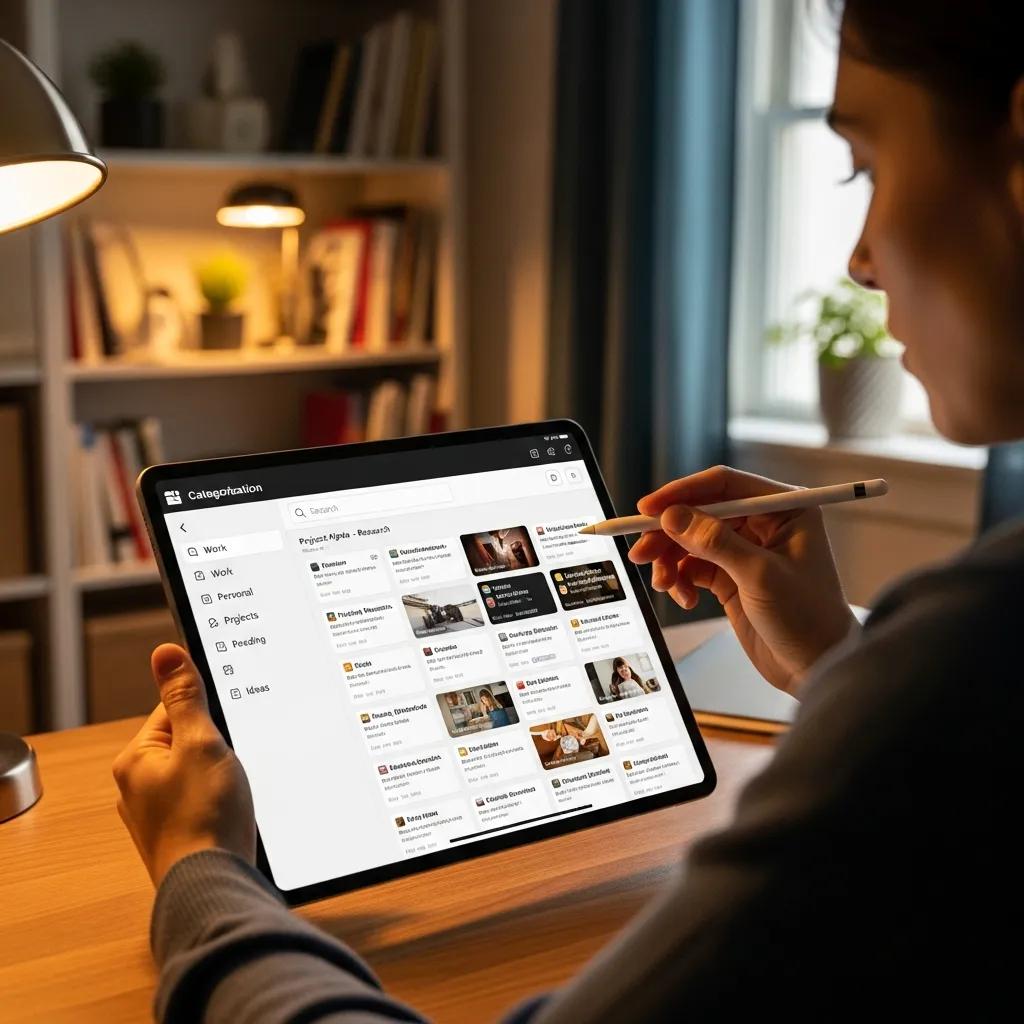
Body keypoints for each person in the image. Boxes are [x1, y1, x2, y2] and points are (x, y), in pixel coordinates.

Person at [113, 2, 1023, 1019]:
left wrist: (200, 870)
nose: (857, 259)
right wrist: (838, 669)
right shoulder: (957, 670)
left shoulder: (981, 644)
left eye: (866, 166)